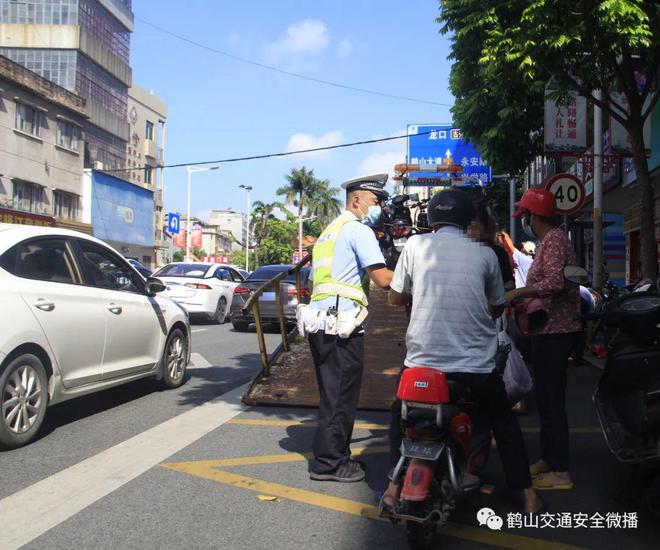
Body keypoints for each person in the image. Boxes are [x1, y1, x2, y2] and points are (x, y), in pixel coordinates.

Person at [381, 188, 542, 514]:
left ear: (432, 218)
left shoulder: (414, 245)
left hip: (421, 364)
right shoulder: (484, 254)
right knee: (504, 424)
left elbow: (396, 298)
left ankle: (392, 488)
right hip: (476, 368)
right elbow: (498, 307)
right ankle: (528, 496)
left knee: (399, 417)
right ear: (468, 218)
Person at [303, 174, 394, 483]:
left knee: (332, 393)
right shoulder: (358, 230)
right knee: (342, 394)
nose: (379, 206)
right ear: (357, 200)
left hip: (320, 323)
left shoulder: (329, 232)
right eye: (375, 200)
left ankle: (330, 455)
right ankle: (330, 463)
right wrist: (417, 273)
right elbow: (383, 279)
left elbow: (315, 282)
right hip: (342, 326)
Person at [505, 188, 581, 491]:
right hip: (545, 330)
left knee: (553, 401)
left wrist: (517, 293)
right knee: (547, 401)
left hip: (556, 332)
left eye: (524, 214)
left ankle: (560, 470)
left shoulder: (555, 242)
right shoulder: (549, 242)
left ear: (533, 216)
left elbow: (554, 283)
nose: (524, 219)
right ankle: (549, 459)